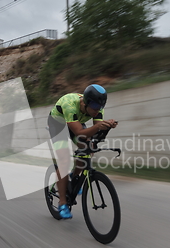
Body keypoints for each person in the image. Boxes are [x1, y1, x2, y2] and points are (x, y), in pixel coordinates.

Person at [47, 84, 118, 219]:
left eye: (101, 107)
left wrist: (107, 127)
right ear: (86, 103)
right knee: (64, 161)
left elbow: (95, 133)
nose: (98, 111)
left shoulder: (97, 109)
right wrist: (98, 127)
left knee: (88, 148)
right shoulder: (70, 104)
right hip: (58, 124)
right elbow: (79, 132)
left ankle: (73, 178)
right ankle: (62, 203)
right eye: (95, 107)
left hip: (75, 122)